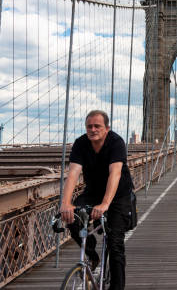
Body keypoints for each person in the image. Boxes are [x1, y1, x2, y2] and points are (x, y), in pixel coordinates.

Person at [60, 110, 134, 290]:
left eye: (97, 126)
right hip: (93, 192)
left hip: (118, 196)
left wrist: (105, 204)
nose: (93, 129)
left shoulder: (116, 142)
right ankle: (92, 253)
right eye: (89, 126)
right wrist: (65, 203)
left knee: (115, 245)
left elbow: (115, 173)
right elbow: (73, 174)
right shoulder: (80, 143)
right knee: (72, 218)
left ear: (107, 128)